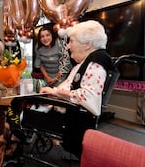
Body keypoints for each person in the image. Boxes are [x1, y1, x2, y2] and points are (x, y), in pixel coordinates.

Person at [39, 20, 112, 157]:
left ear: (87, 45)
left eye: (71, 41)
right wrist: (53, 94)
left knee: (17, 107)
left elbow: (87, 96)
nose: (67, 46)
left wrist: (55, 92)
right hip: (65, 111)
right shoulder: (85, 63)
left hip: (68, 121)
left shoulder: (96, 63)